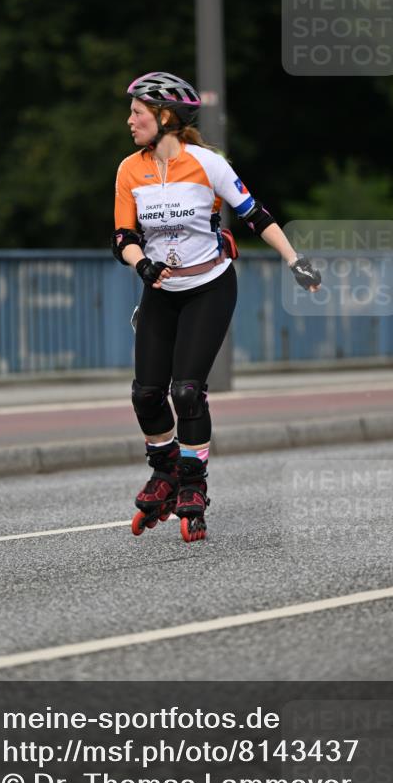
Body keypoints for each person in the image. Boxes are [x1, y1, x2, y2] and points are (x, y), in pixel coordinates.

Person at [112, 71, 320, 543]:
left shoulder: (207, 164)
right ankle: (164, 472)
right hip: (161, 290)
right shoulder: (130, 170)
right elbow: (123, 238)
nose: (130, 121)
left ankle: (192, 485)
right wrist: (142, 265)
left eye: (137, 113)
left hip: (210, 287)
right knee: (146, 394)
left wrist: (296, 261)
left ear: (165, 117)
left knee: (185, 391)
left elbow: (255, 215)